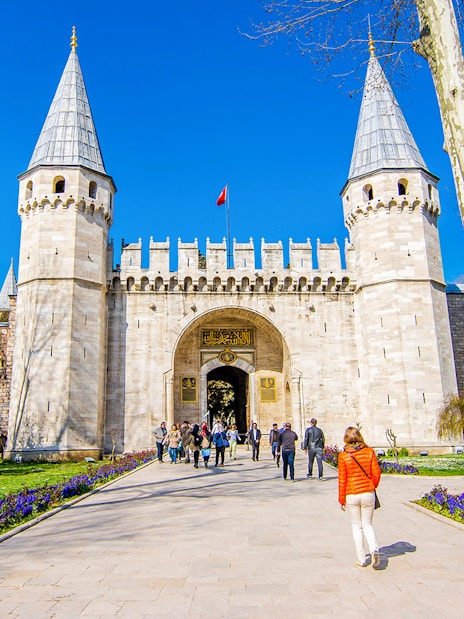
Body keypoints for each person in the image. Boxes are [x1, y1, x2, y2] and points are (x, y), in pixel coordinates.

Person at [338, 426, 382, 569]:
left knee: (356, 526)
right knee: (367, 524)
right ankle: (374, 548)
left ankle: (361, 559)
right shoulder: (369, 452)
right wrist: (371, 485)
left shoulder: (344, 456)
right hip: (368, 493)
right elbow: (376, 473)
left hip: (352, 494)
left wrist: (341, 499)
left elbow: (342, 479)